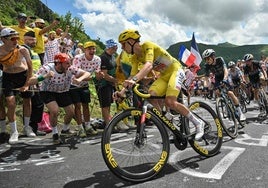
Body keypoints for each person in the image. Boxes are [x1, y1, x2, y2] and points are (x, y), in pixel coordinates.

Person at [118, 29, 204, 140]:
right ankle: (167, 121)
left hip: (175, 70)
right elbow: (132, 76)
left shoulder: (147, 45)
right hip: (164, 76)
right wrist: (121, 92)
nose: (122, 48)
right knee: (151, 94)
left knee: (170, 101)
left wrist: (134, 80)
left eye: (123, 44)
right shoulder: (135, 58)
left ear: (131, 41)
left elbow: (148, 65)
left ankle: (198, 123)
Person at [28, 53, 92, 144]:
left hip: (63, 91)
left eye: (69, 63)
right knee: (54, 110)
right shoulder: (47, 68)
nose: (69, 65)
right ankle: (55, 134)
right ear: (58, 64)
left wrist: (79, 79)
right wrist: (45, 76)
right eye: (66, 63)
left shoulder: (70, 68)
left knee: (70, 112)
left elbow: (87, 73)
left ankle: (65, 130)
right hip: (48, 92)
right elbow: (30, 81)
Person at [0, 28, 34, 144]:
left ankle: (26, 127)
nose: (16, 41)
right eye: (12, 38)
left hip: (23, 75)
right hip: (8, 76)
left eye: (17, 38)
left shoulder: (23, 50)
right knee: (10, 102)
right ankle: (14, 131)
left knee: (27, 101)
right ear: (3, 39)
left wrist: (27, 84)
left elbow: (30, 67)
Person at [202, 49, 246, 121]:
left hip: (225, 75)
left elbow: (225, 70)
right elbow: (206, 78)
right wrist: (205, 87)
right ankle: (225, 105)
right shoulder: (207, 66)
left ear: (213, 57)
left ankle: (240, 113)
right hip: (218, 77)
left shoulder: (219, 59)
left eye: (208, 58)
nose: (207, 61)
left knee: (230, 93)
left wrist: (225, 79)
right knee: (217, 92)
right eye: (205, 59)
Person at [69, 41, 101, 137]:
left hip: (84, 84)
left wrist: (98, 76)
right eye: (89, 49)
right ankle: (80, 128)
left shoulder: (97, 59)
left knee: (86, 105)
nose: (92, 51)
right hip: (74, 84)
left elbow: (97, 73)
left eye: (93, 48)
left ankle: (87, 126)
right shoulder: (78, 58)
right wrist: (93, 77)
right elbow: (76, 73)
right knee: (77, 106)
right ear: (85, 50)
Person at [22, 30, 46, 136]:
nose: (34, 42)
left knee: (38, 104)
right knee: (33, 104)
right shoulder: (23, 50)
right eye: (31, 40)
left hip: (37, 81)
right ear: (25, 39)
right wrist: (30, 80)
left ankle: (34, 127)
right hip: (30, 81)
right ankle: (28, 127)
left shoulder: (34, 51)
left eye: (35, 40)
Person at [95, 39, 118, 128]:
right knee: (105, 105)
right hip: (103, 84)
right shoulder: (103, 57)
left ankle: (107, 122)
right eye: (115, 47)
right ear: (110, 47)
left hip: (110, 84)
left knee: (109, 104)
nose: (116, 48)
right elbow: (104, 75)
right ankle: (108, 125)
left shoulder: (112, 56)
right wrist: (116, 81)